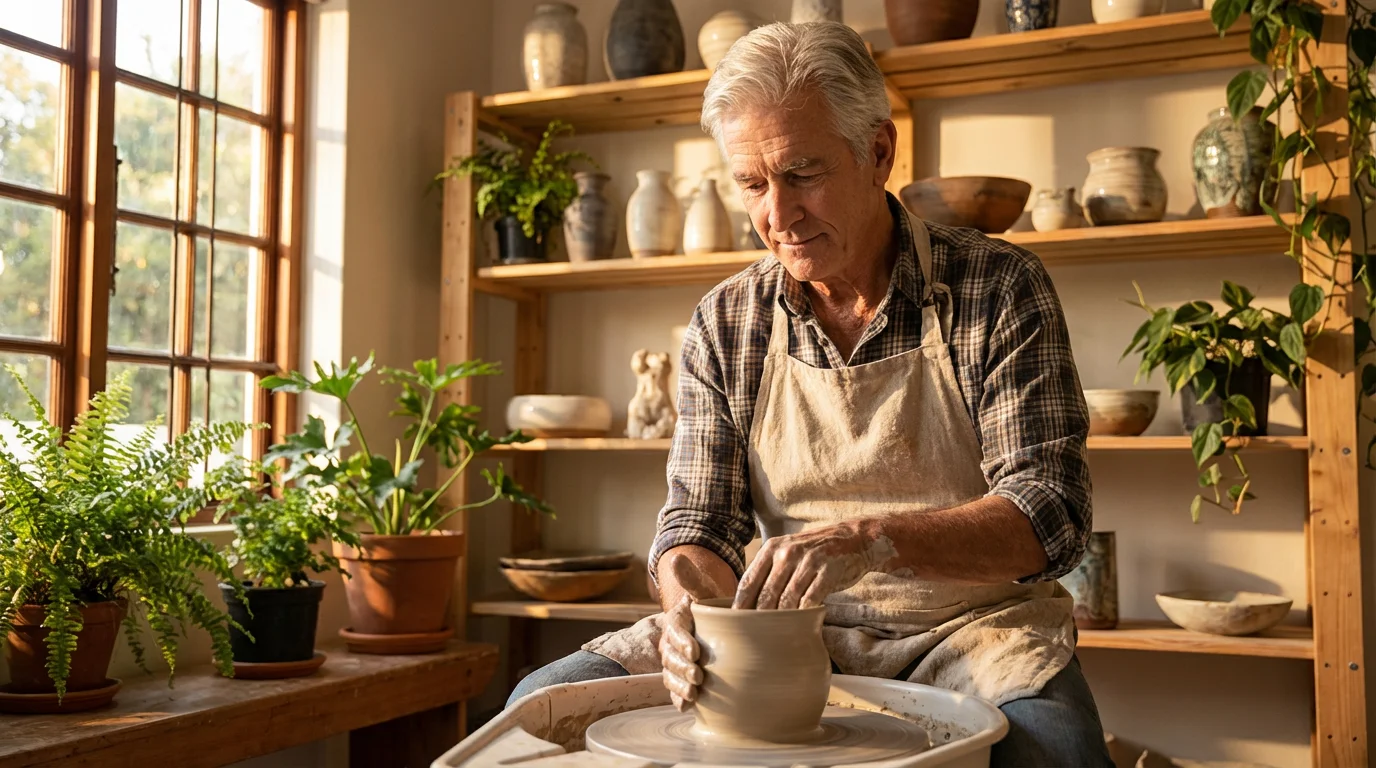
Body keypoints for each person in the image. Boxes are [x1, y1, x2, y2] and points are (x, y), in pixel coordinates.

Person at [507, 21, 1113, 767]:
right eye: (753, 184)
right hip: (783, 634)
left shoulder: (997, 288)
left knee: (1060, 752)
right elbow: (699, 522)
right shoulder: (728, 321)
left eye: (803, 174)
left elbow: (1050, 513)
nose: (778, 216)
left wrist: (871, 541)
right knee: (537, 714)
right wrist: (692, 617)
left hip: (970, 629)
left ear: (878, 153)